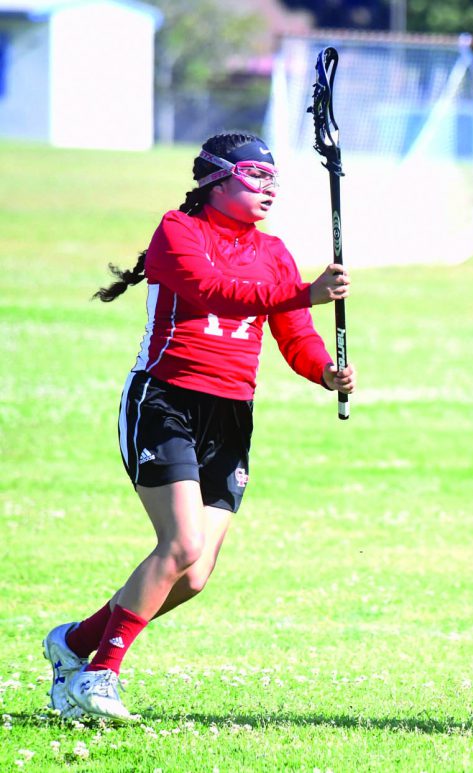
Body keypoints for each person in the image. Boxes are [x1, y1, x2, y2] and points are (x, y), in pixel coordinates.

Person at [43, 131, 355, 723]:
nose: (269, 189)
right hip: (166, 402)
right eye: (254, 177)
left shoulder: (275, 252)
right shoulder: (178, 232)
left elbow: (294, 334)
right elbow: (212, 290)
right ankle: (99, 675)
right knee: (180, 544)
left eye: (273, 180)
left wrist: (326, 371)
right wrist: (304, 292)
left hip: (231, 413)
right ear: (215, 179)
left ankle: (75, 644)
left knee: (194, 575)